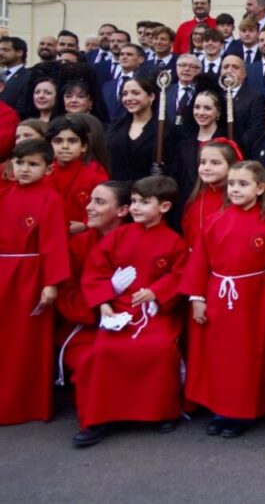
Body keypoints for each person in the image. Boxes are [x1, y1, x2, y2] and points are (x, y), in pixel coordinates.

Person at [74, 176, 189, 447]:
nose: (136, 207)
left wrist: (157, 291)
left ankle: (160, 412)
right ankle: (99, 417)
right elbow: (96, 272)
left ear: (164, 207)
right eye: (134, 201)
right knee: (103, 351)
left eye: (144, 202)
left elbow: (180, 273)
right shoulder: (117, 237)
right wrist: (103, 302)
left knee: (160, 349)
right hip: (118, 309)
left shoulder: (174, 241)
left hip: (155, 312)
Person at [180, 161, 265, 439]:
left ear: (260, 188)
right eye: (232, 184)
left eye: (243, 184)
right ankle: (220, 408)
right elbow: (200, 260)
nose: (235, 189)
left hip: (252, 300)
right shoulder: (216, 219)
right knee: (218, 355)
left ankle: (244, 411)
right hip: (217, 295)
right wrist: (197, 297)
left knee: (247, 356)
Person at [0, 139, 70, 425]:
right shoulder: (4, 193)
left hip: (29, 276)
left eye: (33, 164)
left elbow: (54, 243)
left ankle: (26, 404)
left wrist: (51, 282)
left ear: (48, 168)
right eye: (20, 163)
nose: (25, 169)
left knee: (25, 343)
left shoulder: (49, 198)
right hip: (4, 269)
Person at [56, 181, 131, 388]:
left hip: (131, 324)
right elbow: (67, 293)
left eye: (99, 202)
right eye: (90, 200)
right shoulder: (79, 244)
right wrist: (103, 298)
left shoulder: (137, 240)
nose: (89, 207)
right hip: (87, 327)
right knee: (93, 361)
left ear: (122, 210)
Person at [46, 115, 110, 235]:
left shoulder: (95, 172)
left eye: (72, 141)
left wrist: (85, 225)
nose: (65, 146)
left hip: (83, 238)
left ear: (84, 146)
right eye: (58, 141)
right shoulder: (42, 172)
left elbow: (107, 205)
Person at [106, 77, 172, 182]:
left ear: (151, 96)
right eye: (125, 94)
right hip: (116, 191)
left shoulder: (165, 130)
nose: (128, 98)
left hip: (146, 193)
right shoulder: (115, 126)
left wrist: (164, 173)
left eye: (135, 93)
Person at [181, 139, 240, 246]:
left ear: (231, 167)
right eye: (203, 162)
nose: (206, 168)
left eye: (215, 163)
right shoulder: (196, 198)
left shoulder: (237, 201)